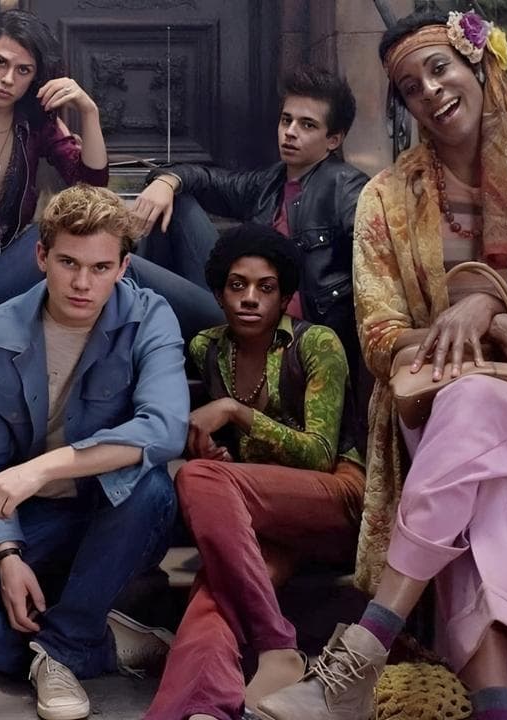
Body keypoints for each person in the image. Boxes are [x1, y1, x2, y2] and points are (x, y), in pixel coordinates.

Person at [255, 10, 507, 720]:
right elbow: (381, 337)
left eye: (439, 68)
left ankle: (361, 650)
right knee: (478, 482)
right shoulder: (387, 198)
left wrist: (490, 308)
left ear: (478, 63)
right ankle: (494, 708)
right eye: (410, 86)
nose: (430, 90)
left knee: (473, 410)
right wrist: (490, 323)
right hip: (429, 397)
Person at [0, 185, 187, 720]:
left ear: (123, 267)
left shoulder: (151, 316)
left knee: (148, 484)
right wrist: (6, 554)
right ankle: (92, 644)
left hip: (118, 513)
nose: (83, 283)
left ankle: (61, 649)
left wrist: (40, 469)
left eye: (101, 268)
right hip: (37, 516)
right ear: (41, 256)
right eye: (68, 263)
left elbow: (166, 428)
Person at [0, 9, 216, 449]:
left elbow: (90, 183)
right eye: (0, 63)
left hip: (7, 262)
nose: (8, 79)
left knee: (97, 258)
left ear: (36, 76)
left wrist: (90, 111)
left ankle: (207, 331)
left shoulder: (37, 121)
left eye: (23, 70)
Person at [144, 223, 366, 720]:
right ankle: (203, 706)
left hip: (336, 500)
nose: (250, 298)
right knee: (218, 585)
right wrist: (220, 455)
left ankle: (274, 641)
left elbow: (319, 454)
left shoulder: (316, 343)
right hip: (262, 509)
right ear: (219, 293)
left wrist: (234, 412)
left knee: (196, 479)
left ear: (285, 298)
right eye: (237, 285)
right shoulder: (207, 348)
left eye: (266, 288)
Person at [130, 67, 370, 413]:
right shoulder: (270, 182)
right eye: (286, 120)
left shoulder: (347, 188)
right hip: (239, 301)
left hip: (273, 332)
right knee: (176, 202)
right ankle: (158, 350)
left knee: (129, 270)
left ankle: (142, 359)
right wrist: (165, 181)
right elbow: (207, 179)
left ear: (333, 139)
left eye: (307, 125)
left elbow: (375, 252)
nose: (290, 132)